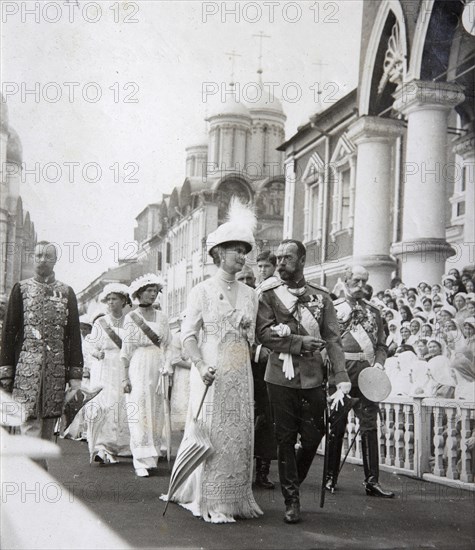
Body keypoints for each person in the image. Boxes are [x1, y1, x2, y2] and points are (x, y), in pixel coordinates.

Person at [166, 198, 263, 523]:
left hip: (240, 373)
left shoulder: (252, 295)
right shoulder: (202, 291)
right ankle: (209, 500)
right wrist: (200, 364)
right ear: (219, 252)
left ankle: (236, 498)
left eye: (244, 251)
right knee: (212, 433)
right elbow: (187, 336)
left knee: (237, 433)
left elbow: (254, 338)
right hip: (209, 370)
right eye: (236, 250)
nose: (242, 257)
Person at [256, 239, 351, 524]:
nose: (281, 263)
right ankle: (291, 499)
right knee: (285, 439)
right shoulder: (269, 295)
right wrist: (299, 342)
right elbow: (263, 334)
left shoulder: (321, 297)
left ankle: (292, 481)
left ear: (302, 261)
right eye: (279, 258)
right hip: (279, 378)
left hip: (312, 378)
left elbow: (333, 339)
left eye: (287, 258)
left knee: (313, 436)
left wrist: (341, 377)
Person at [0, 241, 83, 451]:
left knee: (47, 430)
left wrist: (75, 376)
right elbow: (9, 333)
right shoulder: (21, 289)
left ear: (55, 260)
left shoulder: (66, 292)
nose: (42, 260)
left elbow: (73, 334)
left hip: (55, 372)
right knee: (28, 425)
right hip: (25, 371)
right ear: (32, 258)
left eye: (47, 256)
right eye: (38, 256)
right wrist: (6, 372)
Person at [325, 265, 395, 498]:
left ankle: (372, 481)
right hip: (341, 377)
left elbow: (382, 345)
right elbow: (327, 343)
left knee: (369, 428)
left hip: (368, 378)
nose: (361, 286)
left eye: (364, 281)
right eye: (356, 281)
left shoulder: (374, 311)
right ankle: (329, 477)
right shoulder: (332, 309)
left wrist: (379, 363)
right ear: (345, 280)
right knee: (337, 427)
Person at [121, 274, 172, 477]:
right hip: (139, 364)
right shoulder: (131, 318)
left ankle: (152, 456)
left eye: (155, 291)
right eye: (149, 290)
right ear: (139, 293)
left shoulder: (162, 317)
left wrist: (167, 364)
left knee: (156, 409)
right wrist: (125, 378)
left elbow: (168, 345)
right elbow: (126, 350)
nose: (152, 294)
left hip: (158, 365)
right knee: (140, 408)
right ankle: (140, 459)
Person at [237, 264, 277, 490]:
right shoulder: (228, 301)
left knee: (266, 418)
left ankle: (262, 472)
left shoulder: (261, 303)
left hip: (262, 371)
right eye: (242, 278)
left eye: (250, 278)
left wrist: (262, 352)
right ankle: (239, 469)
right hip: (236, 366)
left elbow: (269, 332)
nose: (246, 282)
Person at [86, 283, 131, 464]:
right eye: (109, 299)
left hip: (123, 366)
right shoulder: (100, 322)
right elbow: (91, 344)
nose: (110, 303)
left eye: (115, 299)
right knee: (104, 404)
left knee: (123, 404)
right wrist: (96, 353)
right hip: (104, 367)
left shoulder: (130, 321)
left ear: (123, 301)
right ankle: (102, 447)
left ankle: (123, 444)